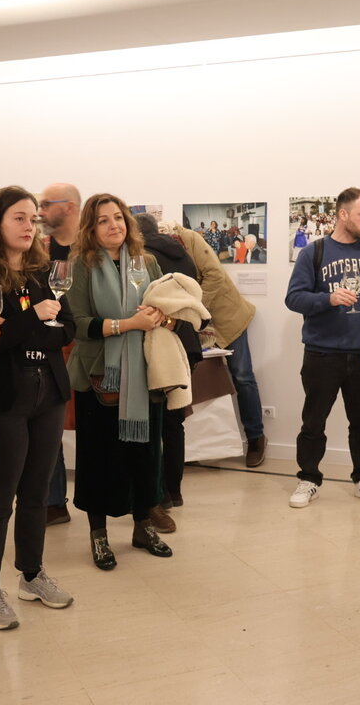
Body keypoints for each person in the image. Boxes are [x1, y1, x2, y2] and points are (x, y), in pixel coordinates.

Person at [0, 186, 76, 631]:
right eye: (19, 217)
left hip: (48, 392)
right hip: (4, 399)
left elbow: (66, 330)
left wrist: (27, 329)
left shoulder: (41, 274)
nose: (29, 226)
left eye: (32, 218)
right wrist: (33, 322)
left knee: (37, 493)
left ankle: (31, 574)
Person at [67, 193, 174, 570]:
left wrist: (161, 316)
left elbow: (170, 308)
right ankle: (99, 536)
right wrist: (129, 323)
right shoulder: (81, 265)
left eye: (118, 218)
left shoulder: (148, 262)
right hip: (100, 375)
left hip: (145, 372)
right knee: (100, 459)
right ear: (90, 228)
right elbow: (78, 325)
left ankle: (142, 527)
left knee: (145, 455)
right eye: (103, 220)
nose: (114, 225)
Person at [285, 187, 360, 509]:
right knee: (313, 421)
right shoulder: (313, 253)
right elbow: (293, 298)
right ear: (343, 214)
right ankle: (308, 478)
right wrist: (327, 299)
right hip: (321, 353)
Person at [166, 220, 268, 466]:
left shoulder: (189, 238)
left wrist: (193, 307)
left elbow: (214, 275)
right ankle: (196, 447)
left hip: (227, 319)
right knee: (189, 382)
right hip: (191, 326)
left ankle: (256, 437)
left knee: (242, 376)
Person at [136, 212, 207, 524]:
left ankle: (160, 494)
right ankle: (174, 491)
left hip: (163, 343)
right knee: (175, 420)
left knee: (156, 422)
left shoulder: (144, 258)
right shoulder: (182, 253)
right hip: (187, 341)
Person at [38, 182, 83, 526]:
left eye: (44, 204)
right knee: (49, 425)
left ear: (68, 207)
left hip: (93, 344)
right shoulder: (39, 249)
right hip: (54, 345)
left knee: (95, 425)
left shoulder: (94, 247)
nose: (39, 211)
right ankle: (54, 501)